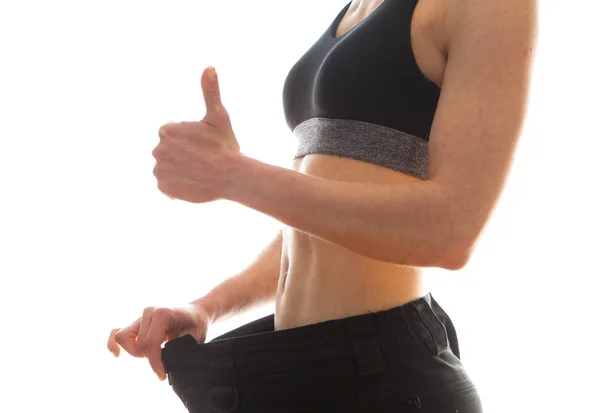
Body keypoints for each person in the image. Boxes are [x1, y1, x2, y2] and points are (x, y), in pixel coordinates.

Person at [107, 0, 537, 411]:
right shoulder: (357, 10)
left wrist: (233, 175)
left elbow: (452, 230)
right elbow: (319, 227)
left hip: (381, 381)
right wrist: (207, 306)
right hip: (293, 363)